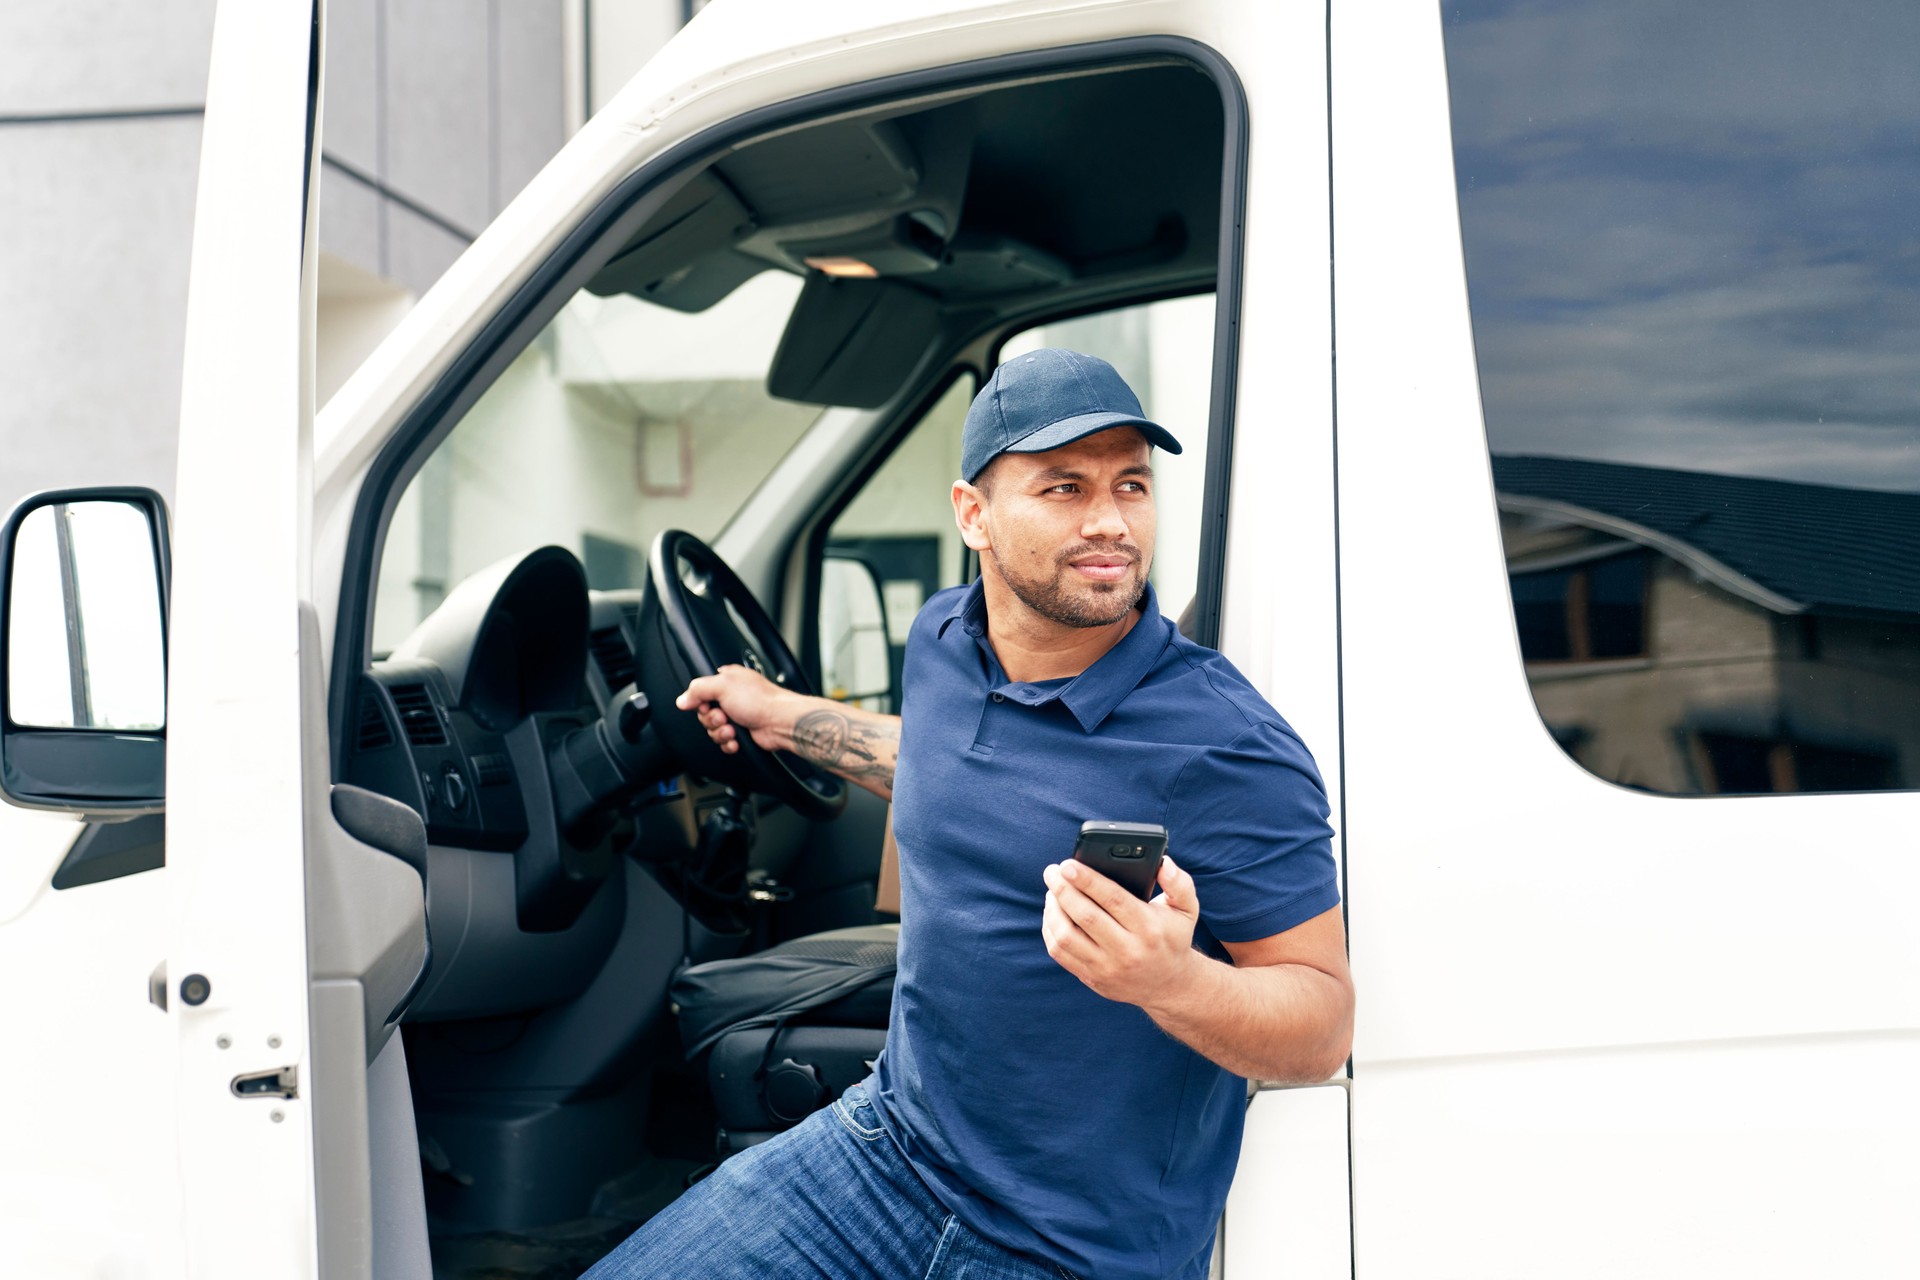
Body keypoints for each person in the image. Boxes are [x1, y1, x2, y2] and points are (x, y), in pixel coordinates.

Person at [583, 349, 1352, 1280]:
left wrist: (1169, 980)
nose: (1111, 522)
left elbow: (1322, 1025)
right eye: (1064, 487)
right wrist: (782, 715)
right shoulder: (946, 639)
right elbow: (942, 761)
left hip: (1071, 1251)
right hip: (883, 1154)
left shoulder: (1225, 745)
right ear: (972, 515)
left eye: (1132, 486)